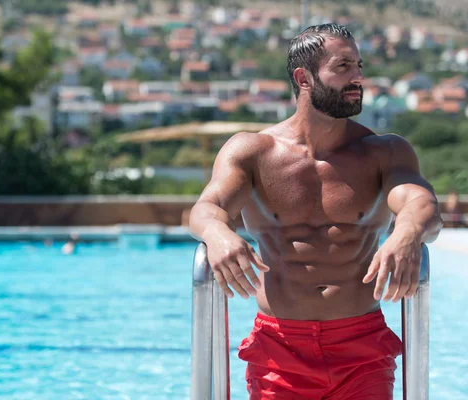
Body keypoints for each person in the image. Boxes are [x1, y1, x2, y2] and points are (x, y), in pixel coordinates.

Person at [189, 23, 442, 400]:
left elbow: (421, 203)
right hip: (278, 348)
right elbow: (207, 208)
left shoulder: (384, 152)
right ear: (303, 77)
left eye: (358, 66)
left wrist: (405, 234)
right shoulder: (252, 151)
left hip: (361, 346)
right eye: (343, 67)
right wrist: (218, 234)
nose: (358, 77)